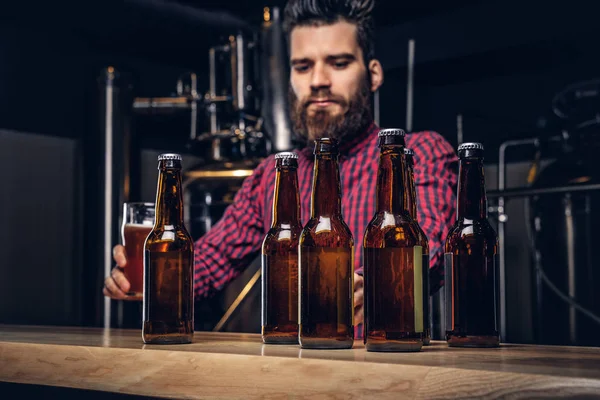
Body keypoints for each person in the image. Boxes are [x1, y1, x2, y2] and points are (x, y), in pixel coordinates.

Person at [104, 0, 458, 337]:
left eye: (338, 63)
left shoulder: (417, 153)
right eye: (303, 66)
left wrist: (373, 284)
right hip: (293, 376)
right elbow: (212, 260)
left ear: (373, 74)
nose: (318, 80)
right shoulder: (273, 175)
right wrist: (157, 278)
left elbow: (428, 246)